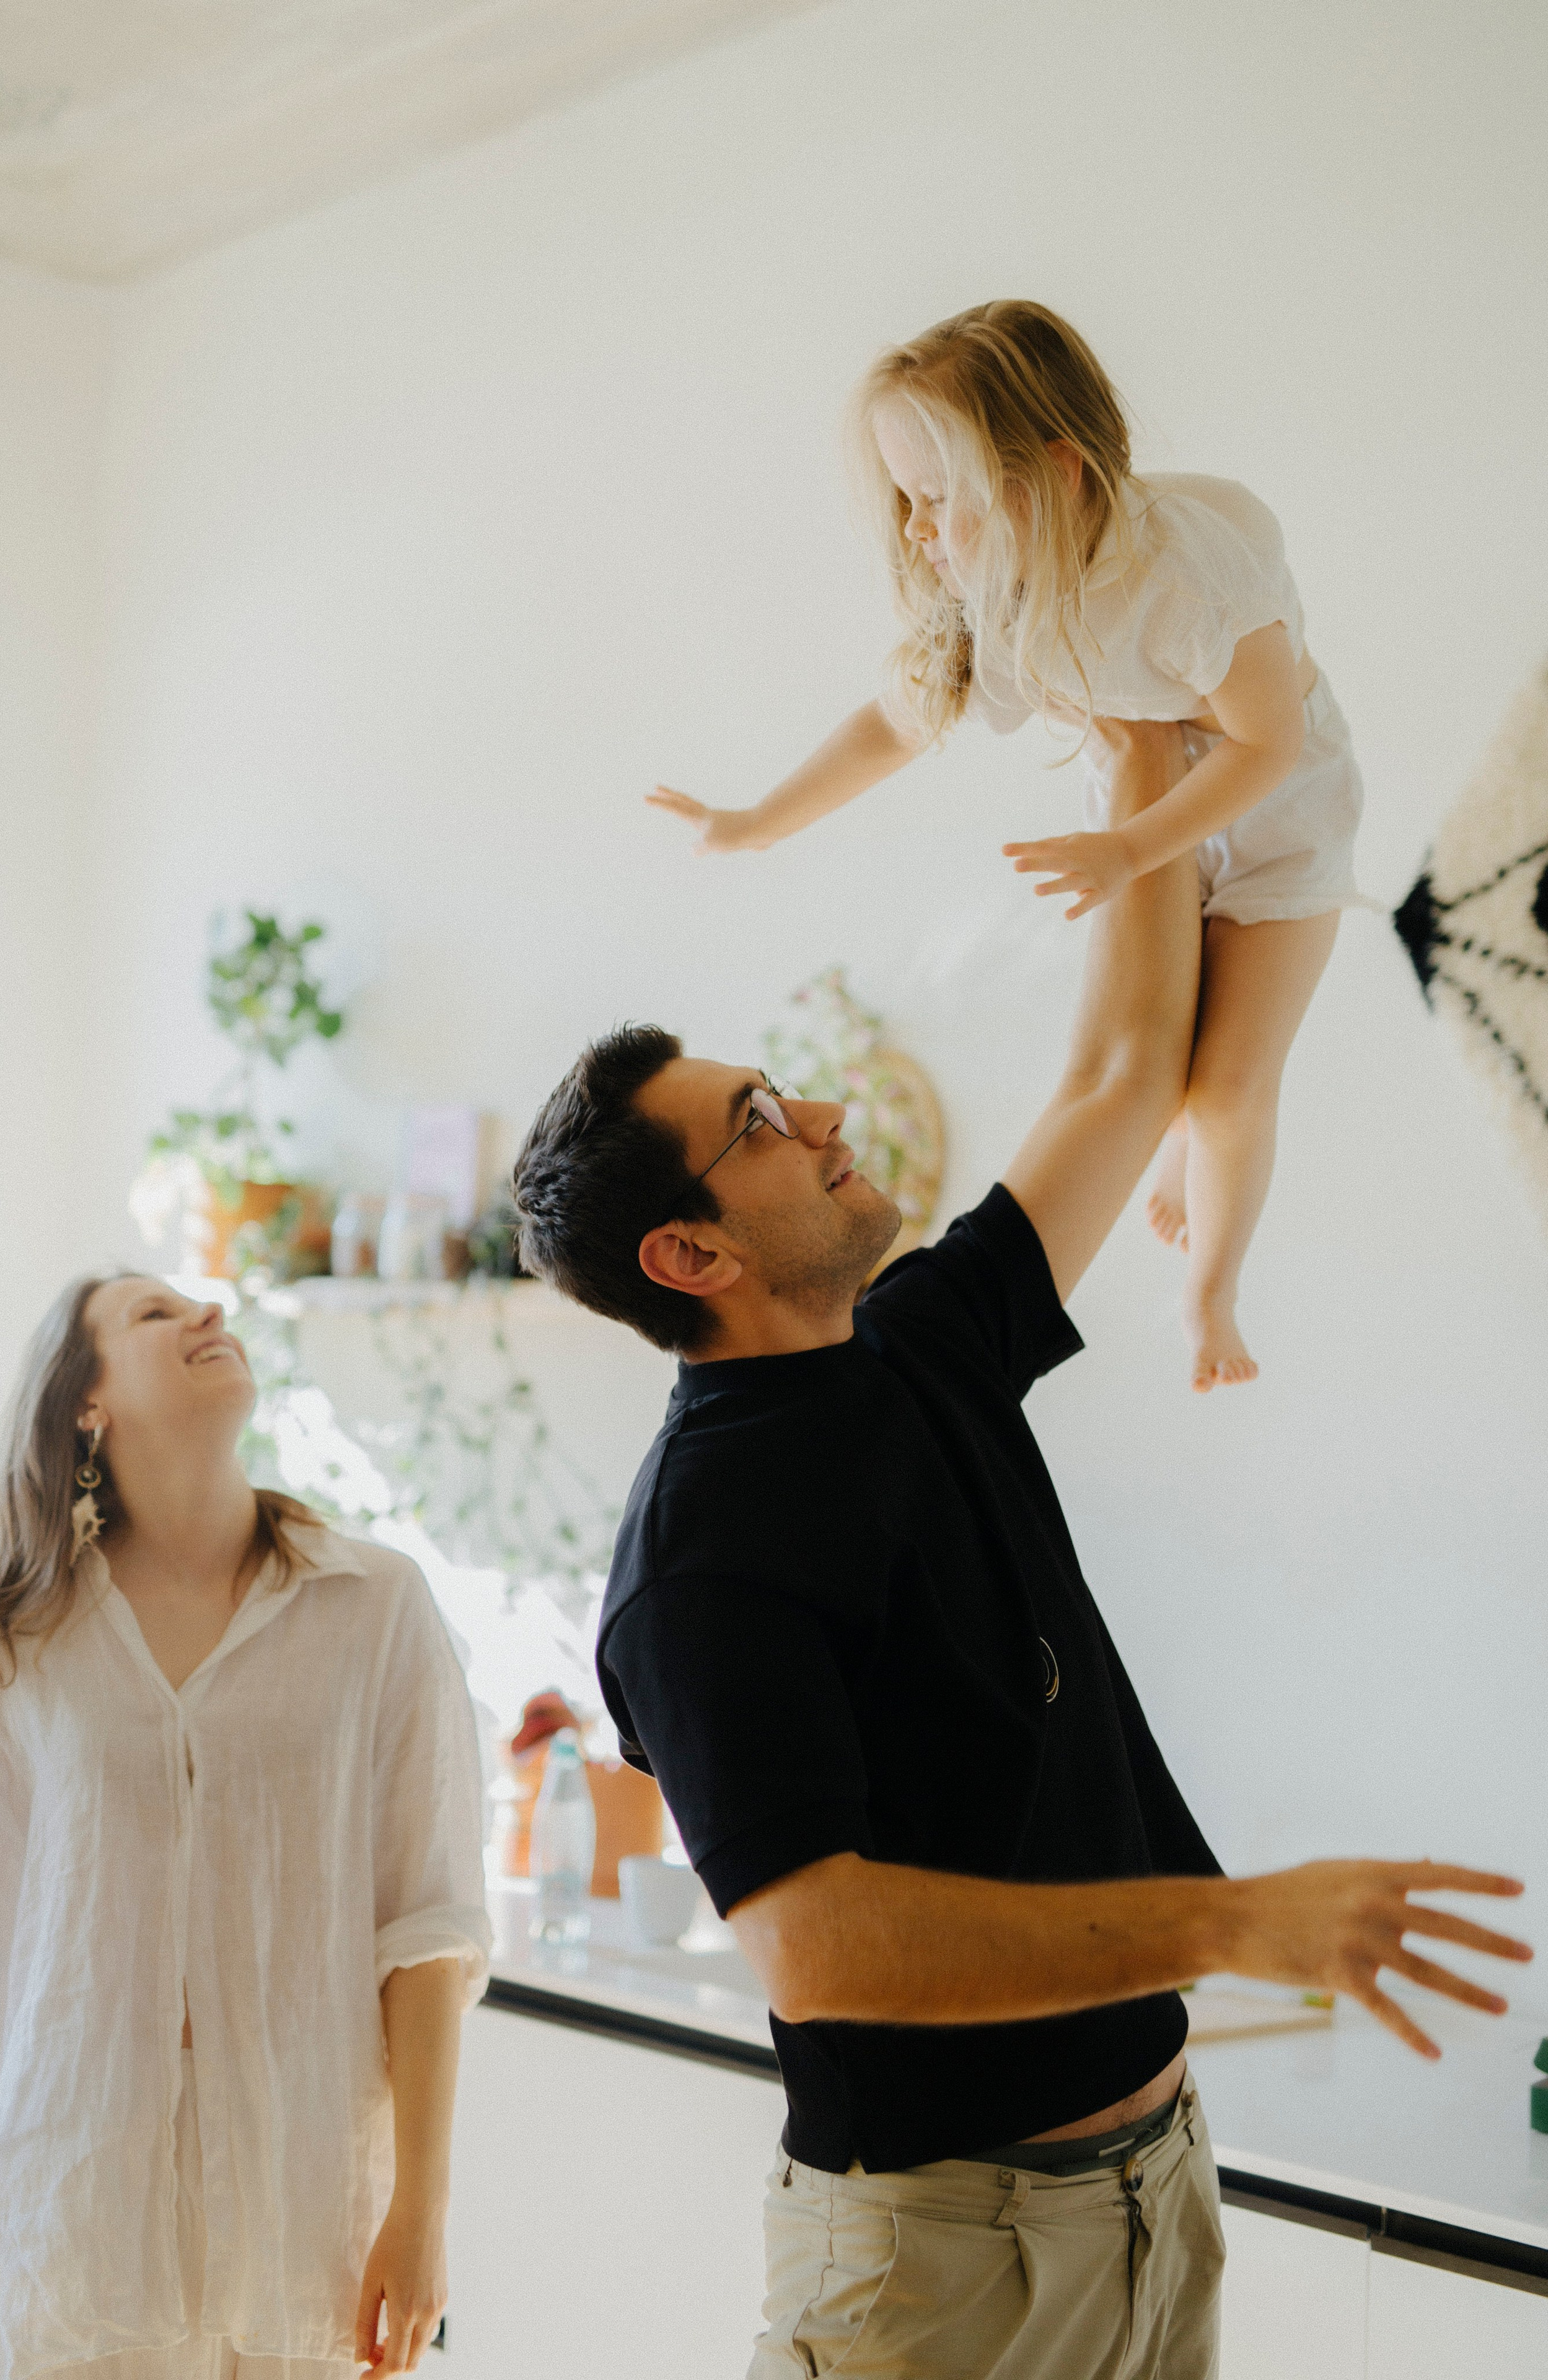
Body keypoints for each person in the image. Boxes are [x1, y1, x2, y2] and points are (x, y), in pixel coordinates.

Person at [514, 720, 1529, 2380]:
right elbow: (820, 1949)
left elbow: (1125, 1071)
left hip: (1155, 2195)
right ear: (688, 1248)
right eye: (764, 1116)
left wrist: (1137, 740)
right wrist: (1225, 1924)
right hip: (936, 2271)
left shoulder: (922, 1342)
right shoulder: (697, 1564)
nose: (826, 1109)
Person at [650, 299, 1366, 1391]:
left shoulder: (1187, 578)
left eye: (942, 499)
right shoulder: (1010, 604)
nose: (921, 530)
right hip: (1147, 813)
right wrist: (755, 822)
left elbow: (1265, 745)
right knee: (1151, 1055)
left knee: (1226, 1090)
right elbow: (893, 724)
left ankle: (1211, 1291)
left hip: (1279, 815)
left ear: (1058, 477)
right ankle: (1183, 1143)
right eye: (907, 501)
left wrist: (1129, 851)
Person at [0, 1273, 491, 2380]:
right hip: (67, 2208)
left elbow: (428, 1928)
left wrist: (422, 2211)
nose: (206, 1314)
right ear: (85, 1403)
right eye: (154, 1315)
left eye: (202, 1305)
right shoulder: (8, 1646)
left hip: (306, 2205)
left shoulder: (377, 1606)